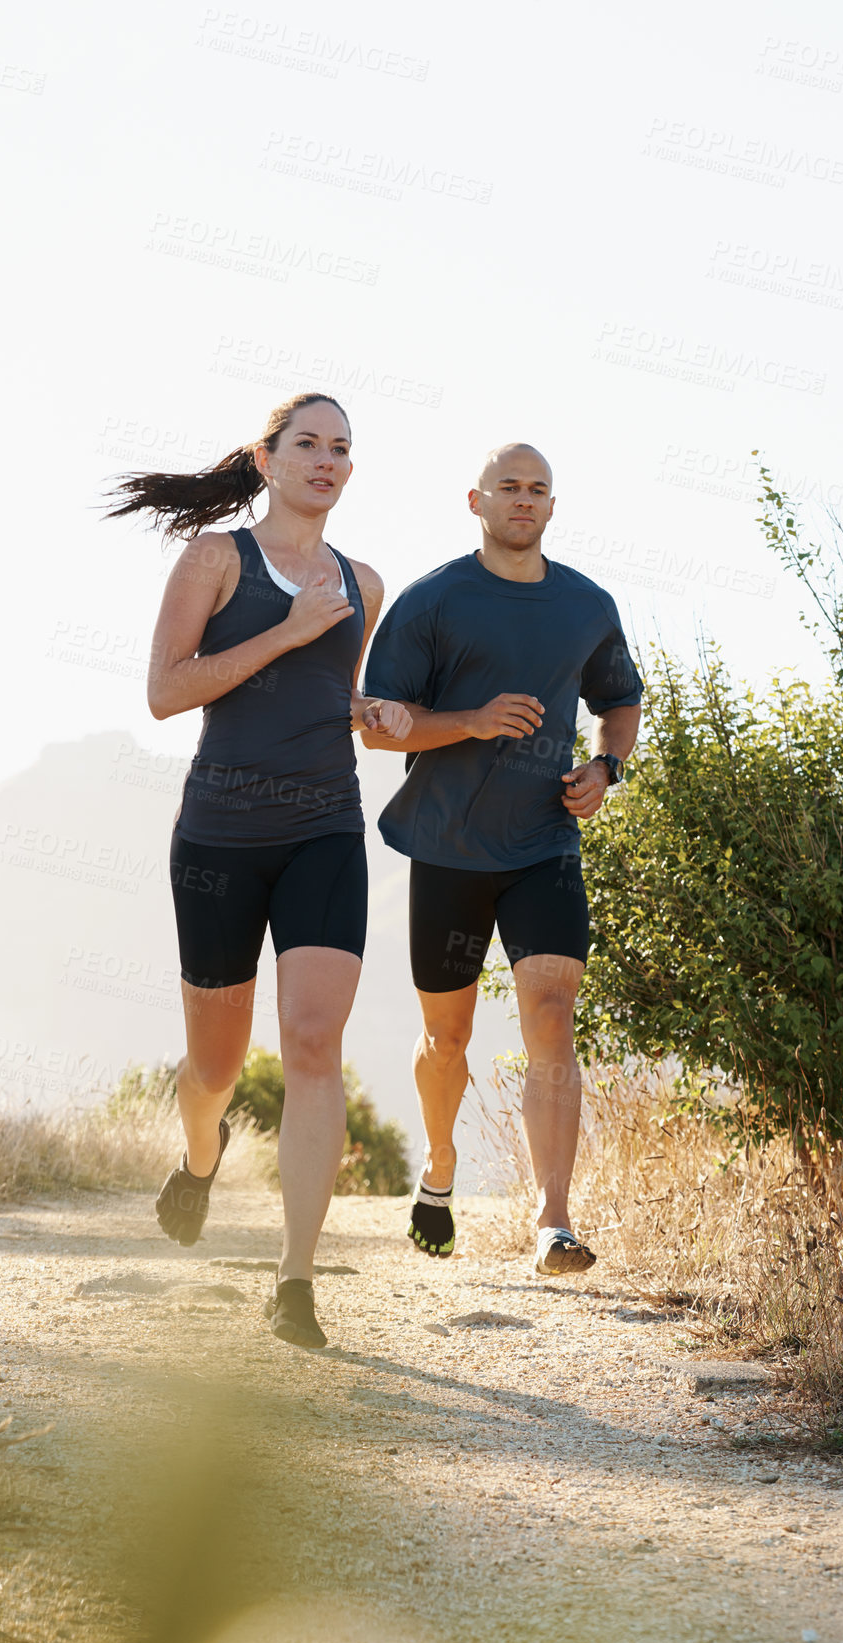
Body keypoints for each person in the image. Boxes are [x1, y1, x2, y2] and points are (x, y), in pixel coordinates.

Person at [106, 393, 411, 1348]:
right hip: (219, 837)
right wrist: (283, 629)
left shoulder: (364, 581)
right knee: (216, 1066)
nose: (326, 460)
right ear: (267, 458)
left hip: (324, 828)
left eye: (341, 450)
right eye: (308, 444)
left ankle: (295, 1281)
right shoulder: (213, 561)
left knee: (314, 1045)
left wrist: (377, 714)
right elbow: (165, 692)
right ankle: (201, 1158)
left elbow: (334, 692)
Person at [360, 443, 642, 1275]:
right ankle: (439, 1163)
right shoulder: (434, 599)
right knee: (446, 1037)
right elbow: (376, 720)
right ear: (475, 500)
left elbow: (618, 699)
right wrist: (473, 721)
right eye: (508, 488)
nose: (523, 500)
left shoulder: (586, 604)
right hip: (446, 845)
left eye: (538, 489)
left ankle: (552, 1218)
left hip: (543, 844)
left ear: (552, 505)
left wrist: (605, 768)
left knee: (552, 1015)